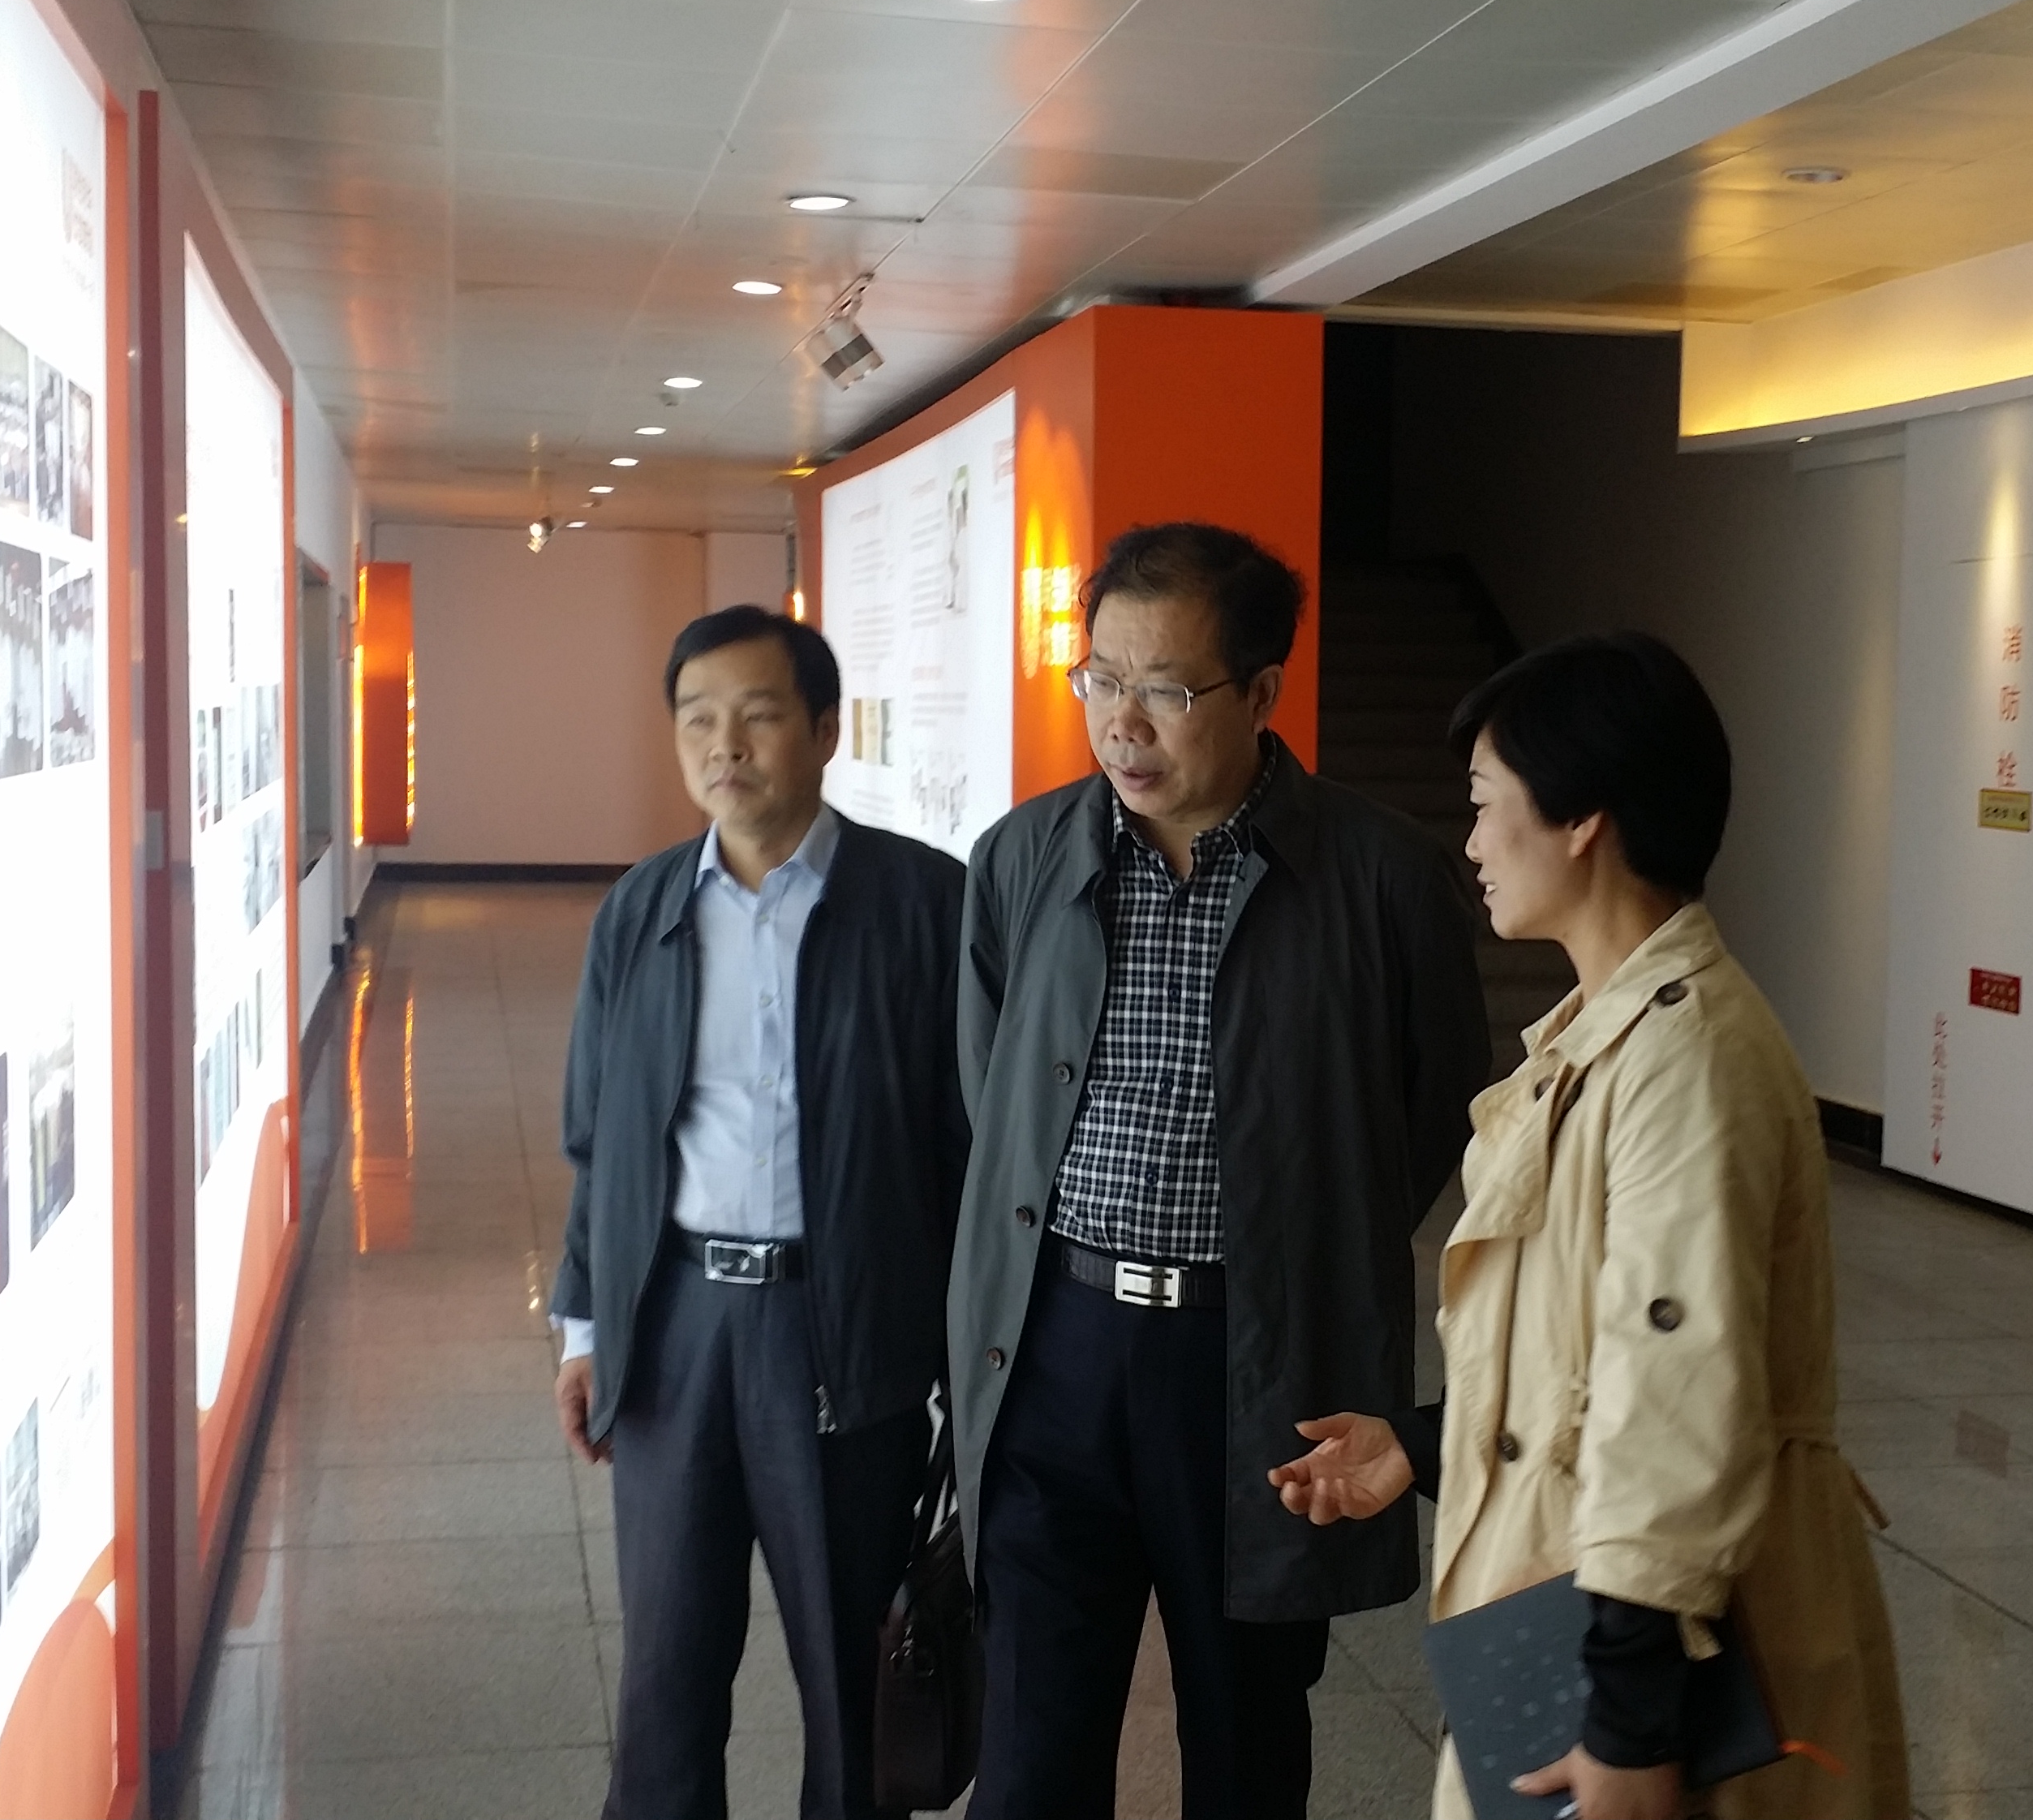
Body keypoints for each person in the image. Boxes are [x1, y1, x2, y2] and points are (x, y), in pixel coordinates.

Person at [1269, 633, 1910, 1820]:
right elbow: (1593, 1355)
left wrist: (1626, 1726)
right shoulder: (1602, 1039)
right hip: (1580, 1614)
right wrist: (1426, 1439)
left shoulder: (1686, 1060)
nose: (1469, 843)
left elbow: (1675, 1400)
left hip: (1671, 1660)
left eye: (1484, 804)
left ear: (1581, 820)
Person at [948, 523, 1489, 1820]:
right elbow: (989, 1089)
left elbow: (1432, 1111)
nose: (1123, 723)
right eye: (1101, 679)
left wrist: (1308, 1237)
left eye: (1168, 690)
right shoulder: (1024, 856)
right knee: (1028, 1748)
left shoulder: (1381, 874)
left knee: (1246, 1736)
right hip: (1058, 1344)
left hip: (1255, 1361)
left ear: (1261, 692)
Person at [551, 605, 969, 1820]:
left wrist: (966, 1357)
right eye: (697, 720)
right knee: (665, 1671)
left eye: (757, 715)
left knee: (851, 1674)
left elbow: (969, 1143)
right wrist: (584, 1330)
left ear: (826, 730)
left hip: (841, 1328)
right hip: (674, 1324)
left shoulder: (923, 903)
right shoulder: (641, 910)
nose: (723, 746)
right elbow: (599, 1141)